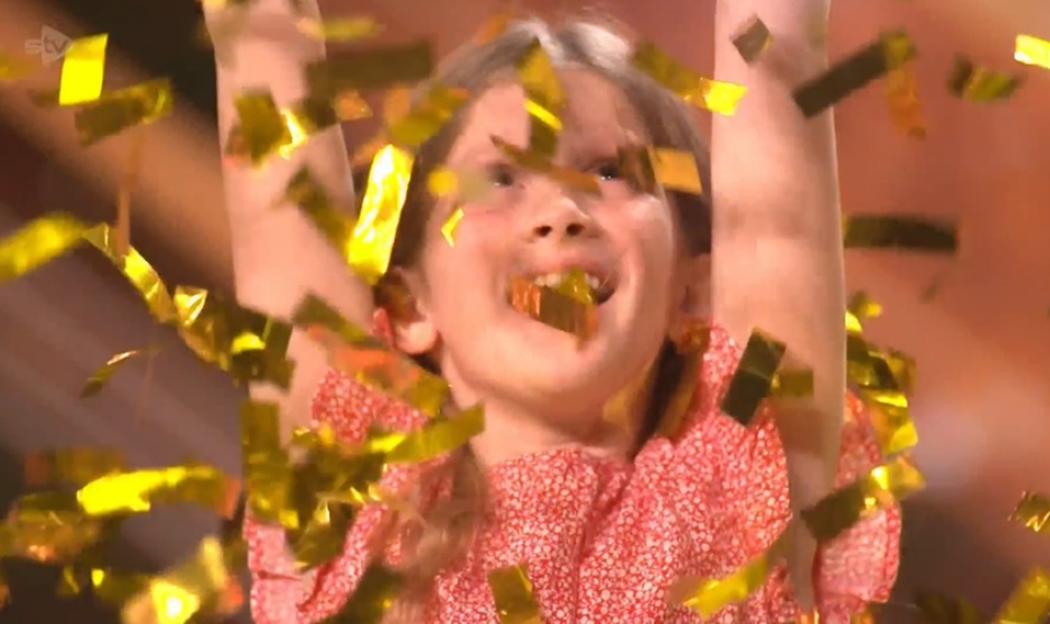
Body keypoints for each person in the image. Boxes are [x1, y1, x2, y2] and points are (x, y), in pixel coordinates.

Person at [205, 0, 899, 621]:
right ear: (412, 305)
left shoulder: (739, 499)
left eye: (609, 172)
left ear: (693, 290)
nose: (561, 211)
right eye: (498, 179)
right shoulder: (360, 503)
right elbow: (266, 62)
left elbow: (777, 164)